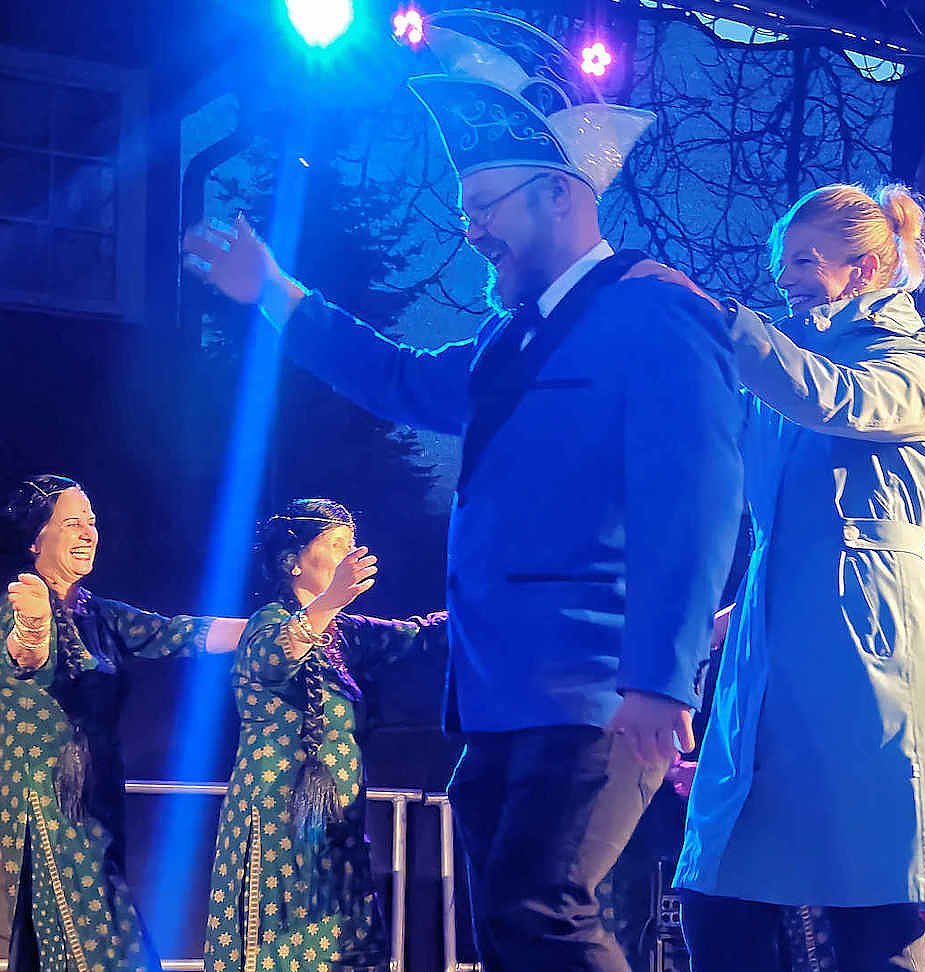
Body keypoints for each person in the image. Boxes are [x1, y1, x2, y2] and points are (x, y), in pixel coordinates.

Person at [182, 11, 744, 971]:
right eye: (465, 208)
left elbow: (696, 498)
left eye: (485, 204)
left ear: (559, 194)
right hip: (498, 696)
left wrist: (663, 676)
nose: (471, 229)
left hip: (597, 686)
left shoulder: (658, 310)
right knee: (509, 927)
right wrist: (277, 295)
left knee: (541, 909)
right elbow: (401, 379)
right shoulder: (506, 339)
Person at [675, 183, 925, 971]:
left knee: (872, 900)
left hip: (865, 644)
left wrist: (729, 325)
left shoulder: (915, 366)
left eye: (806, 260)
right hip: (770, 648)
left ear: (865, 268)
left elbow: (832, 398)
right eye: (784, 262)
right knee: (718, 899)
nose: (788, 277)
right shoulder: (781, 370)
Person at [0, 475, 244, 971]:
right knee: (111, 942)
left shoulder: (102, 615)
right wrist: (33, 625)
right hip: (48, 803)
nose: (88, 532)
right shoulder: (18, 602)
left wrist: (274, 627)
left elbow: (178, 633)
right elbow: (26, 657)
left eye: (91, 522)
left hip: (99, 799)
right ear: (35, 540)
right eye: (72, 523)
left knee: (66, 945)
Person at [205, 498, 446, 972]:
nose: (349, 555)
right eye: (336, 545)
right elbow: (274, 660)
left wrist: (482, 599)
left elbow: (418, 636)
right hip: (277, 822)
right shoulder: (266, 624)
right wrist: (330, 600)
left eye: (351, 545)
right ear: (291, 563)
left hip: (336, 823)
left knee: (343, 943)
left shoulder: (346, 633)